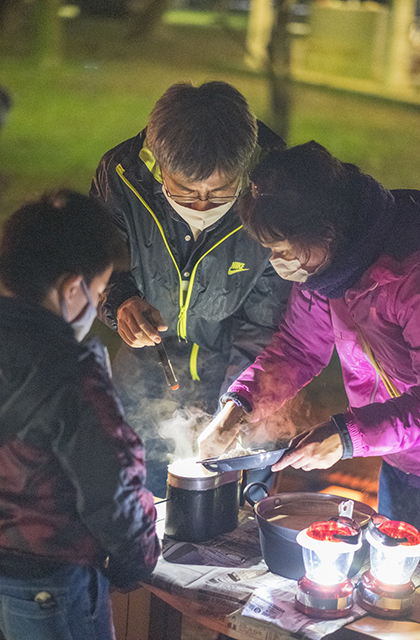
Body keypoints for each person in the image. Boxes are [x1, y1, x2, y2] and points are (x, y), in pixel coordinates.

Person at [198, 140, 420, 530]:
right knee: (395, 580)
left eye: (284, 250)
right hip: (402, 456)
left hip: (401, 440)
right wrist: (238, 406)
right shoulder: (327, 270)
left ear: (327, 232)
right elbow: (299, 348)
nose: (277, 262)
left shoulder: (408, 275)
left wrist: (345, 437)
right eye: (270, 249)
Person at [91, 81, 291, 497]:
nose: (201, 204)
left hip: (235, 367)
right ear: (159, 162)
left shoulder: (277, 193)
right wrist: (120, 300)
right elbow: (98, 263)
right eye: (184, 191)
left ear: (246, 168)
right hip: (144, 370)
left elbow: (268, 320)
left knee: (233, 503)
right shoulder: (122, 178)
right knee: (136, 493)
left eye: (219, 192)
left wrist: (240, 404)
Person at [0, 190, 160, 640]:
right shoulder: (71, 373)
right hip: (49, 586)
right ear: (73, 289)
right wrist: (137, 561)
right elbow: (111, 483)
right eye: (99, 290)